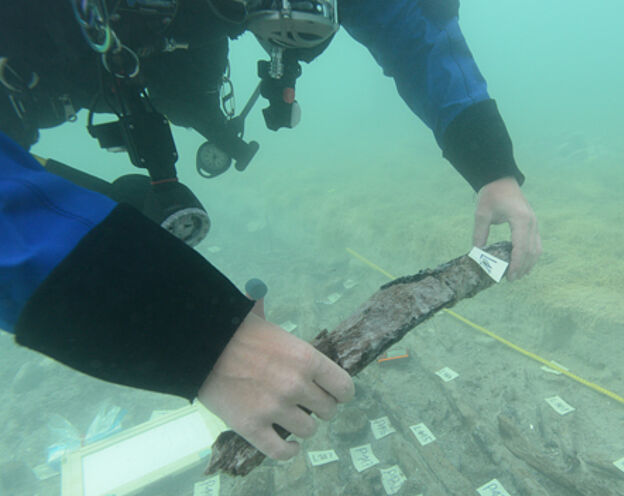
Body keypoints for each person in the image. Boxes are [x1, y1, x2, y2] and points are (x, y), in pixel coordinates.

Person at [0, 0, 541, 461]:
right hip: (42, 61)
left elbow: (412, 31)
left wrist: (490, 164)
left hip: (167, 54)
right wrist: (193, 337)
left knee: (190, 103)